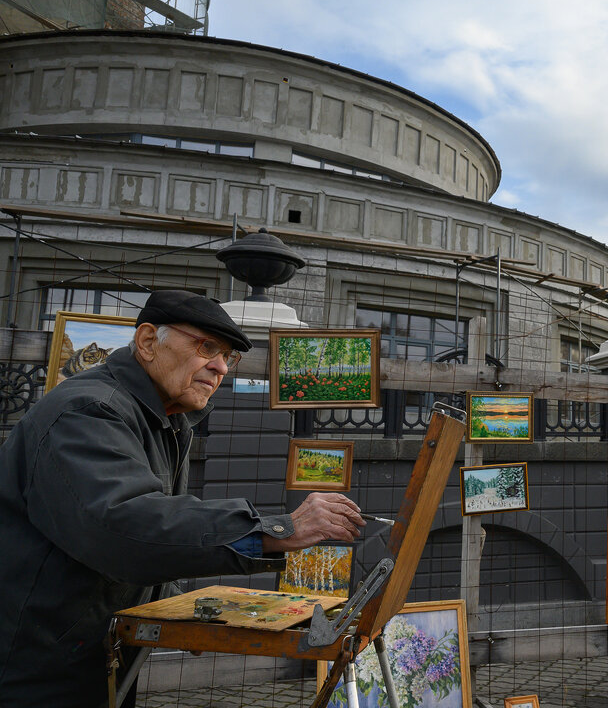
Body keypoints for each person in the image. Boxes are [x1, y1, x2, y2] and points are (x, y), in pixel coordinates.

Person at [0, 290, 365, 706]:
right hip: (32, 664)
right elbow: (126, 524)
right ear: (148, 341)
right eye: (206, 346)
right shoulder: (88, 410)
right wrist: (278, 529)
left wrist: (175, 615)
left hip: (87, 649)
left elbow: (154, 540)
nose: (220, 366)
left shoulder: (168, 420)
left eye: (229, 356)